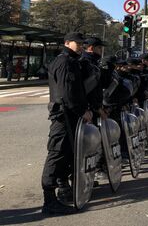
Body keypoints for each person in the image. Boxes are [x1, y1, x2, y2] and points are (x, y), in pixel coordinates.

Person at [41, 32, 91, 215]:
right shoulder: (65, 62)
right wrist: (82, 111)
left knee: (67, 155)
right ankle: (49, 201)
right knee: (57, 155)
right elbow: (66, 94)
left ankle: (63, 190)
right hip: (63, 117)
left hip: (69, 117)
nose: (81, 46)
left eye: (82, 44)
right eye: (78, 43)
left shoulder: (71, 61)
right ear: (67, 43)